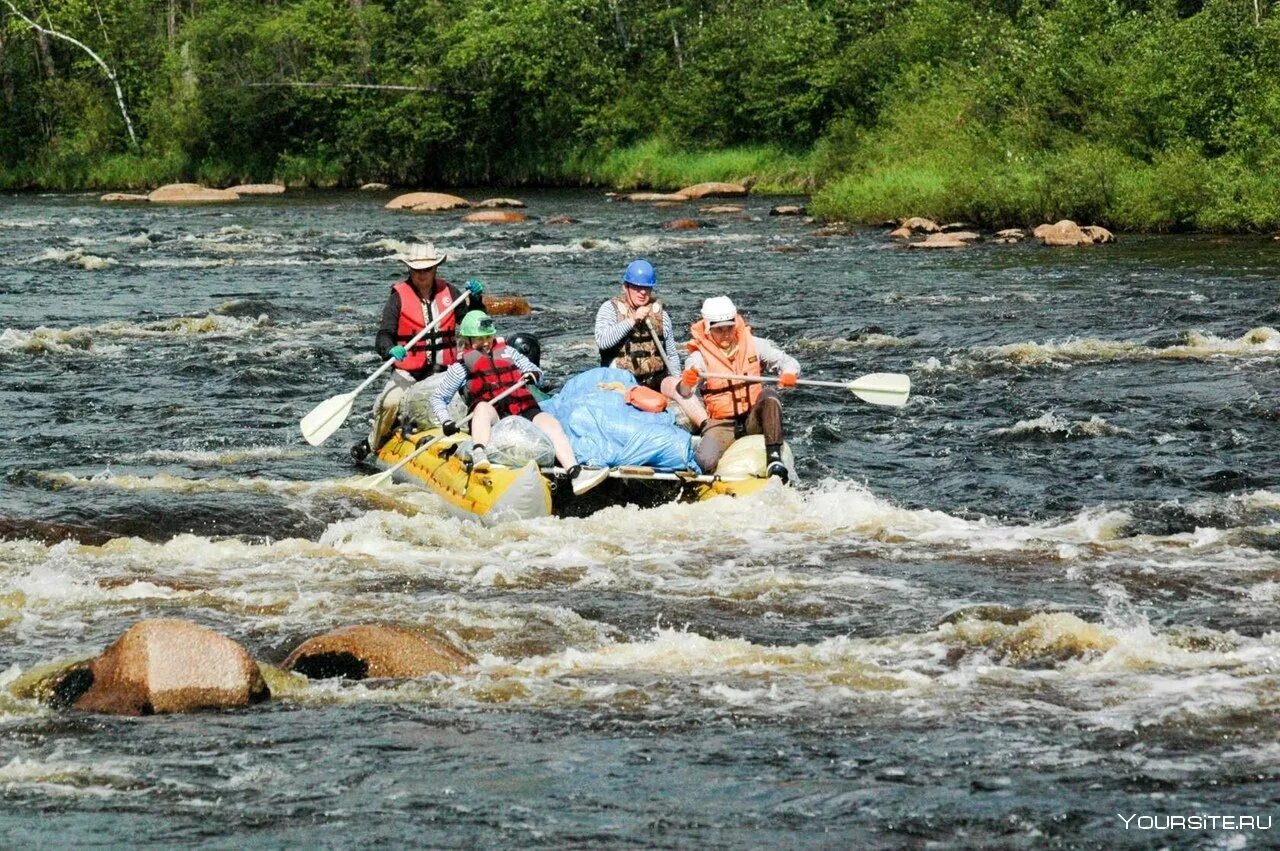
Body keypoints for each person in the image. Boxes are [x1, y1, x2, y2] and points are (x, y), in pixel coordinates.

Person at [430, 312, 609, 496]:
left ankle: (575, 472)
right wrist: (446, 421)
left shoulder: (509, 352)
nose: (485, 342)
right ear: (467, 341)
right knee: (482, 407)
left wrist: (533, 374)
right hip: (494, 416)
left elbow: (535, 370)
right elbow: (438, 398)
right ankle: (479, 453)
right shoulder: (460, 368)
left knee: (550, 422)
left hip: (522, 408)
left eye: (488, 337)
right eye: (479, 339)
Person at [358, 243, 485, 457]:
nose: (422, 274)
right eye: (417, 270)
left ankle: (477, 442)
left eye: (427, 269)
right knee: (389, 403)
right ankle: (373, 443)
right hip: (409, 371)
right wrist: (390, 349)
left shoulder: (451, 293)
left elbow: (475, 324)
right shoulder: (398, 296)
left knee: (476, 396)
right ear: (409, 270)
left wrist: (476, 301)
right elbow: (384, 334)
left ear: (436, 268)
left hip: (445, 371)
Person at [678, 296, 800, 481]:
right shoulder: (698, 357)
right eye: (719, 330)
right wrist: (687, 380)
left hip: (752, 418)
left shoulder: (755, 344)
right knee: (704, 461)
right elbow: (684, 392)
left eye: (729, 328)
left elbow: (787, 361)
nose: (726, 334)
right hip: (721, 424)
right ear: (709, 329)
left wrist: (790, 372)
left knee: (769, 395)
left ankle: (774, 460)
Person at [595, 259, 707, 429]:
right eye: (636, 287)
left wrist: (677, 380)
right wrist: (632, 320)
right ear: (625, 287)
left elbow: (671, 354)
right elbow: (603, 341)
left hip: (656, 378)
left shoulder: (661, 314)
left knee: (680, 389)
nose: (642, 292)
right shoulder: (610, 309)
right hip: (623, 381)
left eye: (646, 288)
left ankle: (706, 426)